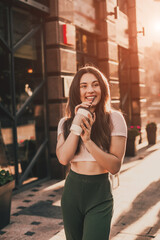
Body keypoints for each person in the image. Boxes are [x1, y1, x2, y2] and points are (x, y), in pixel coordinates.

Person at [56, 65, 127, 240]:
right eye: (84, 86)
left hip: (99, 194)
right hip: (72, 192)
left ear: (102, 89)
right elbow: (64, 158)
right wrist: (77, 122)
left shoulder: (114, 119)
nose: (90, 90)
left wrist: (88, 141)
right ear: (76, 91)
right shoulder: (65, 123)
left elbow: (114, 166)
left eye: (95, 85)